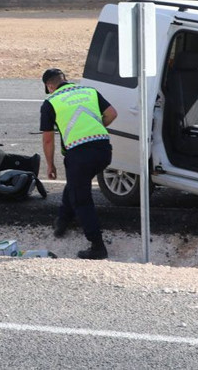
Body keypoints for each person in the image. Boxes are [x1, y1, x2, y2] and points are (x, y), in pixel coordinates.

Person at [40, 68, 117, 260]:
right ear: (65, 79)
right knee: (76, 184)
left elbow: (48, 140)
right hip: (103, 150)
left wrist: (50, 165)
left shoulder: (50, 102)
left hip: (79, 154)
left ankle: (97, 246)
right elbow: (112, 114)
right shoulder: (89, 91)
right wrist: (96, 128)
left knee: (82, 199)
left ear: (50, 86)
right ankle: (63, 220)